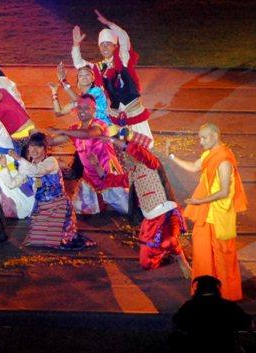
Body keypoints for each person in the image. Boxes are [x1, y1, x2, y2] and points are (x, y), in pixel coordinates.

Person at [90, 128, 191, 275]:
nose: (126, 158)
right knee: (146, 264)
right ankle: (167, 255)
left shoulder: (152, 164)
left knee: (167, 241)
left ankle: (182, 260)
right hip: (150, 222)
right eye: (124, 156)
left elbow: (136, 151)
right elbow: (111, 180)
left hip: (167, 216)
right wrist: (96, 166)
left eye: (127, 154)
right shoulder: (133, 174)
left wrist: (112, 140)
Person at [168, 123, 248, 301]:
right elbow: (194, 166)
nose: (201, 142)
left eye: (204, 138)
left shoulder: (224, 161)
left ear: (215, 136)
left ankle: (227, 295)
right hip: (206, 215)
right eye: (200, 138)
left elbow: (224, 191)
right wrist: (172, 156)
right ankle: (205, 292)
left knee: (223, 257)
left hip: (219, 215)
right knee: (202, 253)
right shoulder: (209, 154)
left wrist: (198, 201)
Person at [72, 10, 153, 146]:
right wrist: (76, 45)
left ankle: (151, 164)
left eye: (108, 44)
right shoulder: (98, 67)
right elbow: (79, 64)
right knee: (124, 145)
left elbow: (123, 37)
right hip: (116, 113)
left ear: (115, 46)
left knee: (146, 144)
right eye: (102, 44)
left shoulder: (123, 59)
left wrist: (109, 24)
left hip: (133, 109)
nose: (104, 47)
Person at [1, 133, 94, 250]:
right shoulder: (27, 166)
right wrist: (3, 167)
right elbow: (12, 184)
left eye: (39, 146)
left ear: (45, 149)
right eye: (32, 146)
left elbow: (37, 171)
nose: (34, 150)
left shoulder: (51, 161)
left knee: (61, 242)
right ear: (28, 148)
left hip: (58, 205)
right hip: (41, 208)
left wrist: (19, 159)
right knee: (38, 243)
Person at [48, 94, 129, 215]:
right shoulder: (74, 129)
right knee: (81, 210)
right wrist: (37, 137)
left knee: (126, 209)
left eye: (87, 108)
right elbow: (52, 141)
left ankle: (107, 201)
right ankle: (102, 203)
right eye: (79, 108)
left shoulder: (99, 124)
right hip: (90, 178)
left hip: (108, 173)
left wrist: (63, 130)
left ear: (94, 110)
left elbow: (90, 134)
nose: (82, 111)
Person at [171, 276, 253, 353]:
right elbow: (245, 323)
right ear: (217, 289)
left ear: (197, 289)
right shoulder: (229, 305)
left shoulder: (189, 305)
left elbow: (177, 321)